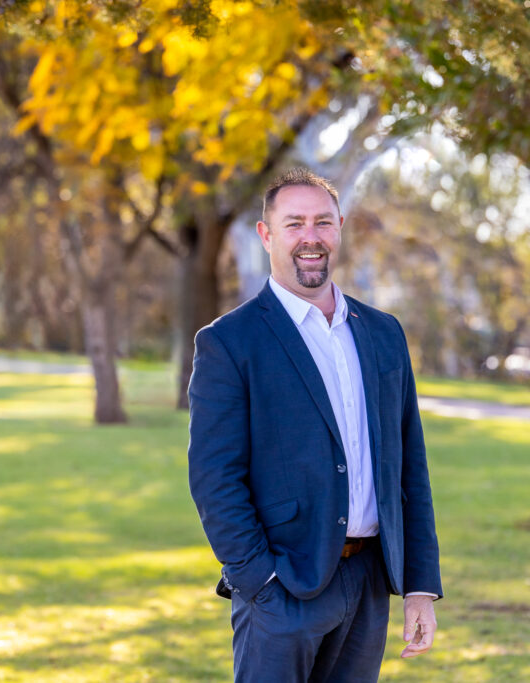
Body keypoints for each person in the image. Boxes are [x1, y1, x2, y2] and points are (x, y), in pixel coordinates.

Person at [187, 168, 442, 682]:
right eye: (295, 223)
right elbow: (215, 479)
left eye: (323, 222)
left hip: (369, 583)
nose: (311, 237)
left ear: (340, 228)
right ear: (267, 235)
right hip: (283, 589)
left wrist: (419, 585)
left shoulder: (384, 334)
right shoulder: (229, 343)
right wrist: (260, 580)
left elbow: (409, 466)